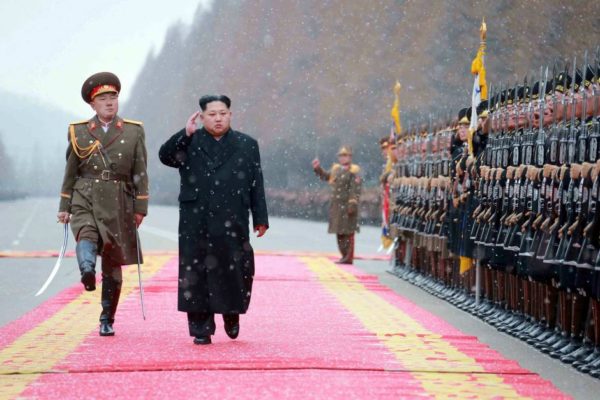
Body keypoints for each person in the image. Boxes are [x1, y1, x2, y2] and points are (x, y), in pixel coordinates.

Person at [158, 95, 268, 345]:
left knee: (234, 267)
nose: (218, 118)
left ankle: (231, 313)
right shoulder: (190, 141)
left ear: (230, 115)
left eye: (223, 113)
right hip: (195, 217)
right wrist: (184, 134)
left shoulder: (247, 144)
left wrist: (260, 217)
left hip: (233, 215)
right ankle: (201, 326)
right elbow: (165, 157)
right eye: (212, 114)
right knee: (195, 270)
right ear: (201, 116)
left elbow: (256, 182)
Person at [57, 72, 149, 337]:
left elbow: (141, 171)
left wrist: (140, 207)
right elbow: (71, 171)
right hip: (85, 193)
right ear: (92, 104)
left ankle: (107, 317)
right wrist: (64, 205)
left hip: (118, 199)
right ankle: (87, 269)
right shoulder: (79, 131)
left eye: (113, 97)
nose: (109, 103)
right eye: (103, 99)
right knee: (85, 231)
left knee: (112, 261)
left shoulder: (133, 131)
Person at [312, 146, 362, 264]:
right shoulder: (336, 170)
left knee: (348, 232)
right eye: (341, 156)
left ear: (350, 157)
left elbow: (355, 189)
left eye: (345, 156)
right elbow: (326, 176)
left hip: (347, 205)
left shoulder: (354, 171)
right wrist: (318, 168)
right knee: (339, 232)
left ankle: (348, 257)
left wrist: (352, 203)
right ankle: (343, 255)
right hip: (337, 206)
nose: (342, 158)